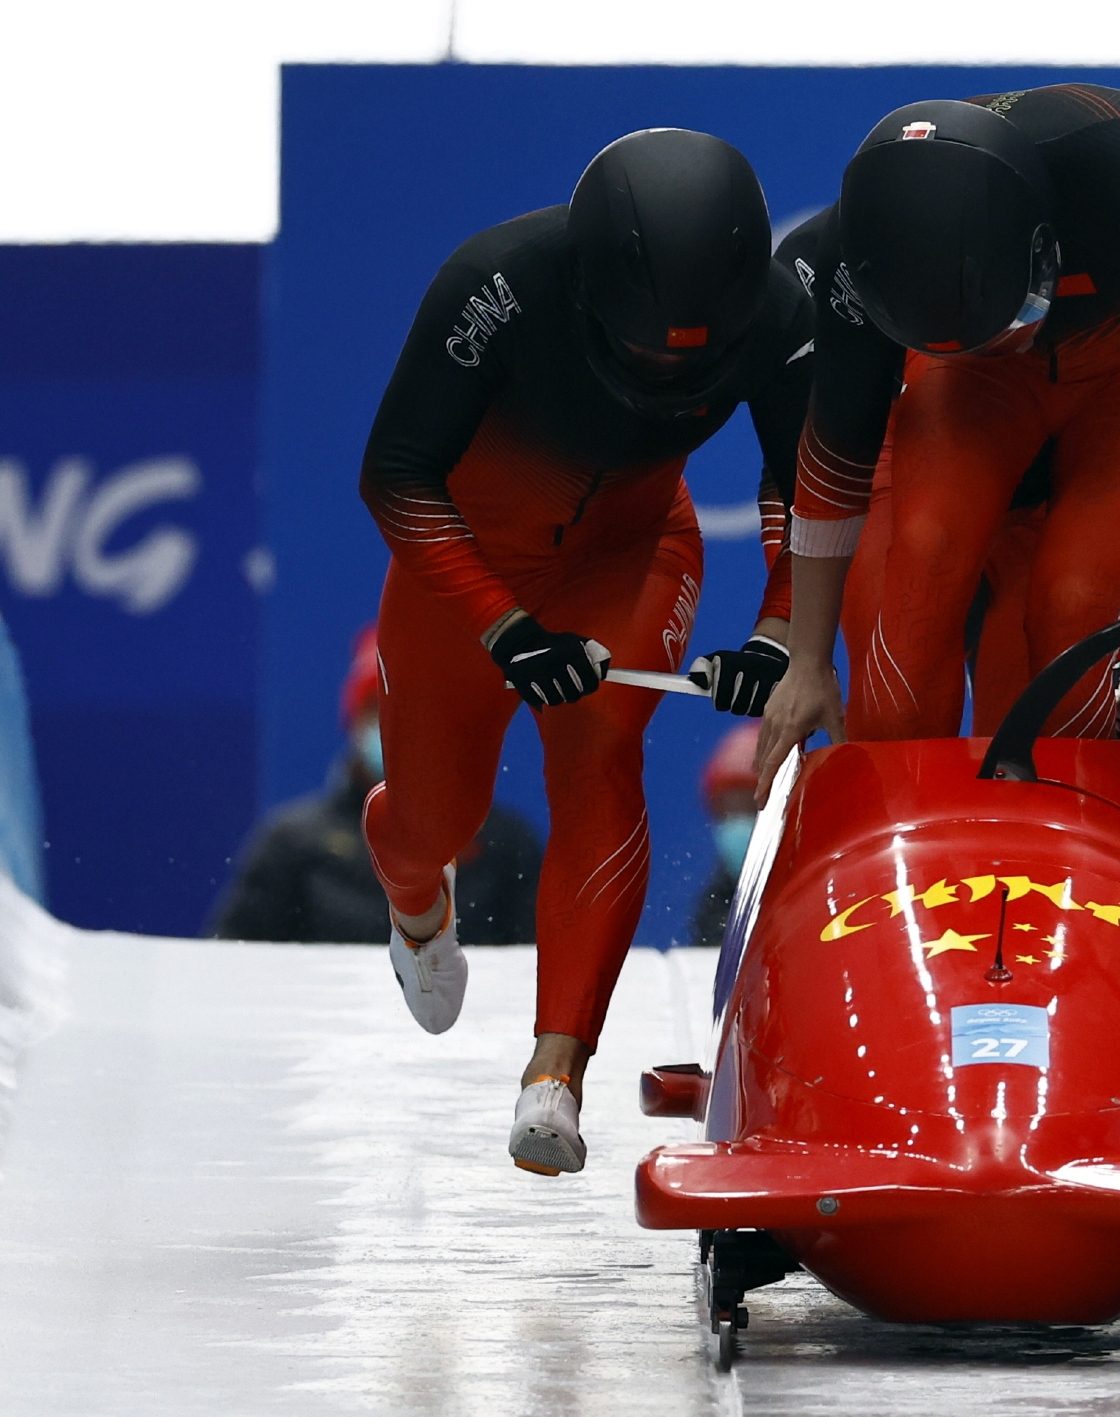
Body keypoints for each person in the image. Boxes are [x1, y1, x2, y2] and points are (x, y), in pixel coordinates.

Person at [358, 128, 812, 1175]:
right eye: (645, 348)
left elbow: (809, 485)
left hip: (632, 549)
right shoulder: (493, 285)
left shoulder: (779, 313)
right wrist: (502, 624)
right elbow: (396, 478)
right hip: (465, 572)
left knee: (601, 746)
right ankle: (416, 899)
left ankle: (553, 1076)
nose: (668, 372)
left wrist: (776, 631)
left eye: (692, 359)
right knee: (436, 820)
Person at [757, 84, 1120, 782]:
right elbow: (836, 458)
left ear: (1043, 247)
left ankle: (1084, 800)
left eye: (1012, 316)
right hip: (975, 380)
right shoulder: (851, 263)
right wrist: (807, 661)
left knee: (1072, 601)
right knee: (922, 568)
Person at [211, 627, 541, 943]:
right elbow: (235, 961)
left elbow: (532, 968)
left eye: (412, 710)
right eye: (378, 709)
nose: (395, 727)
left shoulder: (504, 844)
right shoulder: (292, 842)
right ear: (353, 720)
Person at [690, 721, 760, 947]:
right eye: (730, 811)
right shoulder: (715, 906)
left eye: (751, 807)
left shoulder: (822, 887)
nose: (739, 823)